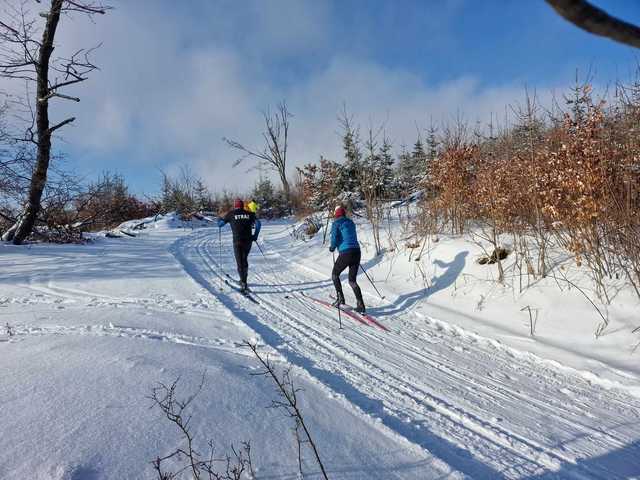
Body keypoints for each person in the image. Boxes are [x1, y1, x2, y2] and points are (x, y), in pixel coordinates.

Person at [218, 199, 261, 292]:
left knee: (240, 262)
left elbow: (220, 225)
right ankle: (243, 279)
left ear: (235, 206)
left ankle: (243, 282)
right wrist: (255, 236)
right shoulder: (250, 214)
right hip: (248, 241)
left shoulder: (231, 214)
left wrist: (219, 219)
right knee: (244, 259)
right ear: (243, 206)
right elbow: (258, 224)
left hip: (237, 241)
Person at [329, 205, 365, 313]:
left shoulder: (336, 223)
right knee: (352, 280)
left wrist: (332, 247)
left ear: (336, 215)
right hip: (356, 251)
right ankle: (361, 305)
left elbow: (334, 237)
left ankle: (340, 299)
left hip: (346, 253)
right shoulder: (351, 222)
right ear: (344, 213)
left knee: (335, 274)